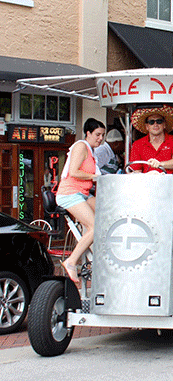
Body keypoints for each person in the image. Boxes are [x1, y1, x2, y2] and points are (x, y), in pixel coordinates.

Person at [56, 118, 106, 282]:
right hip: (70, 193)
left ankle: (96, 259)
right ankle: (71, 262)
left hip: (83, 193)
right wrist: (95, 176)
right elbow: (74, 172)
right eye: (97, 134)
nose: (100, 138)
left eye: (102, 135)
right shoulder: (80, 146)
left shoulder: (92, 151)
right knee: (95, 226)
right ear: (88, 133)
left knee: (108, 214)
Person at [128, 104, 173, 175]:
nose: (155, 124)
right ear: (147, 126)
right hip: (147, 185)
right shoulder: (137, 144)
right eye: (151, 122)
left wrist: (160, 164)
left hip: (172, 184)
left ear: (164, 125)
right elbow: (136, 171)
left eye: (159, 121)